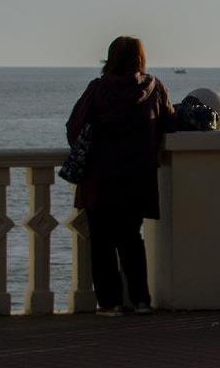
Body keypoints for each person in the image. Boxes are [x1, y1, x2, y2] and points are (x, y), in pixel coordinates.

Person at [66, 36, 175, 316]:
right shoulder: (154, 89)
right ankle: (141, 300)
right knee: (131, 240)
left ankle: (110, 303)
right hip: (137, 177)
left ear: (111, 58)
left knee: (102, 242)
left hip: (100, 178)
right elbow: (169, 123)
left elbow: (74, 127)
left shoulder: (98, 89)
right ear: (140, 59)